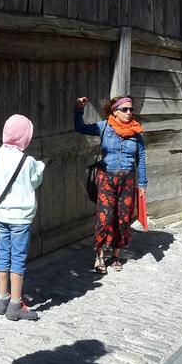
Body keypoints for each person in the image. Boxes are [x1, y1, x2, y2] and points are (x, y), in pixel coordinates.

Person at [74, 95, 147, 274]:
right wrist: (78, 109)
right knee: (104, 218)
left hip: (128, 180)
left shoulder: (136, 133)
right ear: (115, 111)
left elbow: (141, 157)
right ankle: (99, 256)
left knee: (123, 219)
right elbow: (80, 127)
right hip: (106, 178)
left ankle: (115, 255)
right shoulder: (104, 126)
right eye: (125, 109)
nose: (129, 112)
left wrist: (142, 183)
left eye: (131, 109)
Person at [0, 114, 46, 321]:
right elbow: (34, 183)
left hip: (1, 214)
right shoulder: (29, 161)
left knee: (2, 255)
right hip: (20, 218)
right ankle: (15, 305)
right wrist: (40, 169)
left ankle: (2, 299)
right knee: (18, 260)